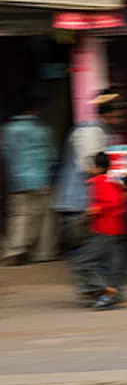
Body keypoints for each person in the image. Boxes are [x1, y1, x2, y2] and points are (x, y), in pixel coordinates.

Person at [55, 90, 121, 277]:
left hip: (85, 205)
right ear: (109, 113)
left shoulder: (97, 131)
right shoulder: (90, 131)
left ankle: (98, 291)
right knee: (89, 255)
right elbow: (90, 165)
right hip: (79, 205)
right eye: (118, 113)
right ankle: (97, 292)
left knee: (93, 254)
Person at [1, 96, 55, 265]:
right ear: (35, 110)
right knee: (45, 218)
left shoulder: (8, 130)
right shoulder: (43, 130)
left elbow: (5, 153)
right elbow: (52, 156)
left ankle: (16, 249)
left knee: (19, 215)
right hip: (41, 179)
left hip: (17, 180)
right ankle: (43, 252)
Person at [80, 152, 127, 310]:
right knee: (112, 264)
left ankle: (106, 291)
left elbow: (113, 201)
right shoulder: (112, 181)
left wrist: (95, 210)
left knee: (84, 263)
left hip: (105, 229)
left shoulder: (99, 182)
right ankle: (112, 296)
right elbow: (120, 199)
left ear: (96, 168)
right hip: (116, 228)